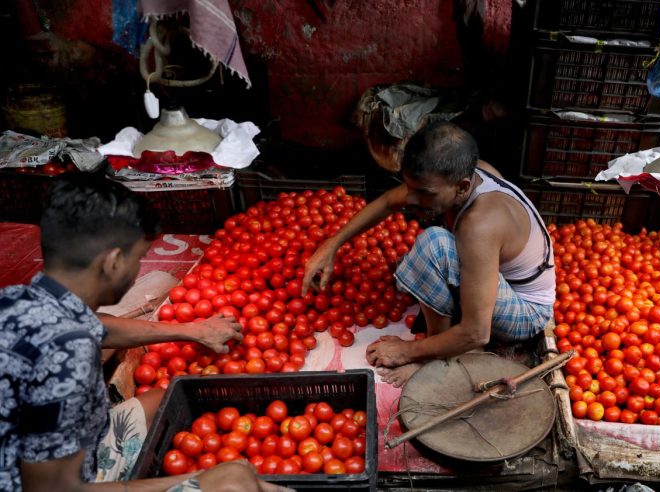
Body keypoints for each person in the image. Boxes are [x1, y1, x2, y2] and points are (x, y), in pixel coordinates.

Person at [0, 174, 286, 491]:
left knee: (163, 400)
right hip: (52, 484)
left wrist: (193, 330)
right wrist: (195, 480)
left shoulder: (16, 299)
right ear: (113, 262)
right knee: (234, 486)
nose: (138, 270)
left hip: (62, 454)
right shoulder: (68, 353)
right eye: (138, 258)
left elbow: (101, 328)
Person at [303, 122, 555, 386]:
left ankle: (435, 360)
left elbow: (477, 332)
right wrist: (333, 243)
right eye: (409, 186)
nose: (411, 199)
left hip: (526, 313)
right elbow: (389, 201)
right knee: (415, 261)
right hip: (500, 283)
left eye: (424, 193)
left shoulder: (479, 224)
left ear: (462, 186)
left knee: (432, 246)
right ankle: (443, 342)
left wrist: (408, 351)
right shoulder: (463, 172)